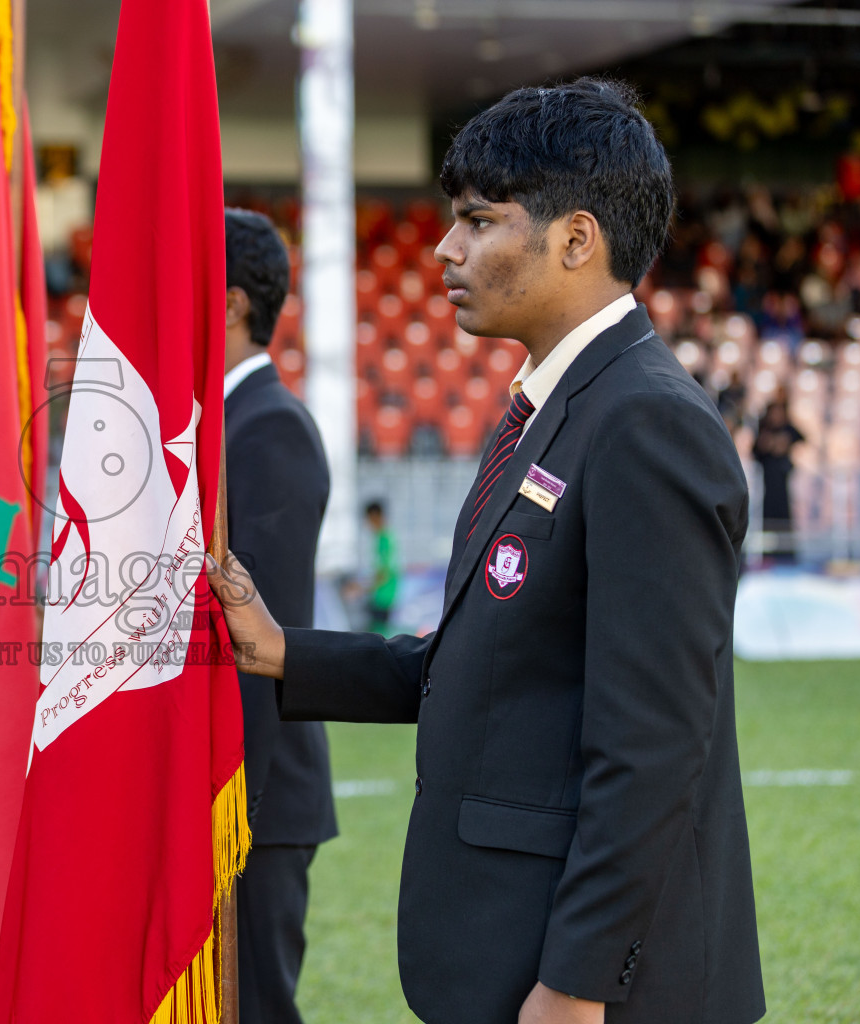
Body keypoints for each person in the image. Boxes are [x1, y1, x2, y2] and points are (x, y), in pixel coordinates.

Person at [209, 79, 764, 1024]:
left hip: (596, 986)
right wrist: (283, 651)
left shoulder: (645, 423)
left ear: (576, 240)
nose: (445, 249)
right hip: (506, 944)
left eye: (477, 221)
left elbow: (654, 740)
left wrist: (579, 982)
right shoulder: (554, 407)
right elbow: (491, 663)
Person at [220, 208, 336, 1024]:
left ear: (227, 303)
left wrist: (232, 812)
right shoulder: (222, 423)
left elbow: (255, 629)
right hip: (218, 784)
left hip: (252, 794)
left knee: (255, 1008)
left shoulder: (269, 427)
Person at [752, 399, 804, 558]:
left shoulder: (788, 430)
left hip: (784, 485)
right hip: (768, 486)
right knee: (768, 522)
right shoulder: (764, 431)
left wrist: (785, 443)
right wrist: (767, 445)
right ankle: (767, 556)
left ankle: (788, 555)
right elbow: (755, 452)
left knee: (785, 519)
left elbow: (802, 439)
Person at [362, 500, 398, 634]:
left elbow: (384, 574)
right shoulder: (383, 537)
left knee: (378, 637)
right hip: (383, 596)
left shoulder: (385, 539)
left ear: (375, 515)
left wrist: (362, 588)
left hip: (383, 597)